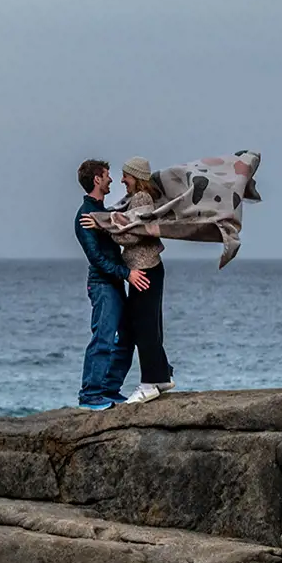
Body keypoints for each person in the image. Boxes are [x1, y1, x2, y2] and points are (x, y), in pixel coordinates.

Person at [74, 159, 141, 410]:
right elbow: (96, 258)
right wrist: (126, 273)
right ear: (97, 180)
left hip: (114, 283)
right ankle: (90, 394)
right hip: (103, 284)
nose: (112, 179)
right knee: (103, 338)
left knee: (126, 337)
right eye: (107, 176)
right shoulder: (85, 216)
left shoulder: (103, 213)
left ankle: (110, 389)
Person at [108, 156, 174, 403]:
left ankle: (149, 383)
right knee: (150, 323)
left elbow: (133, 234)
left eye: (126, 175)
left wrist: (106, 231)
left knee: (143, 326)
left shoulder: (141, 199)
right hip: (149, 268)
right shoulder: (140, 199)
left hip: (145, 270)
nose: (123, 180)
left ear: (136, 176)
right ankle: (162, 376)